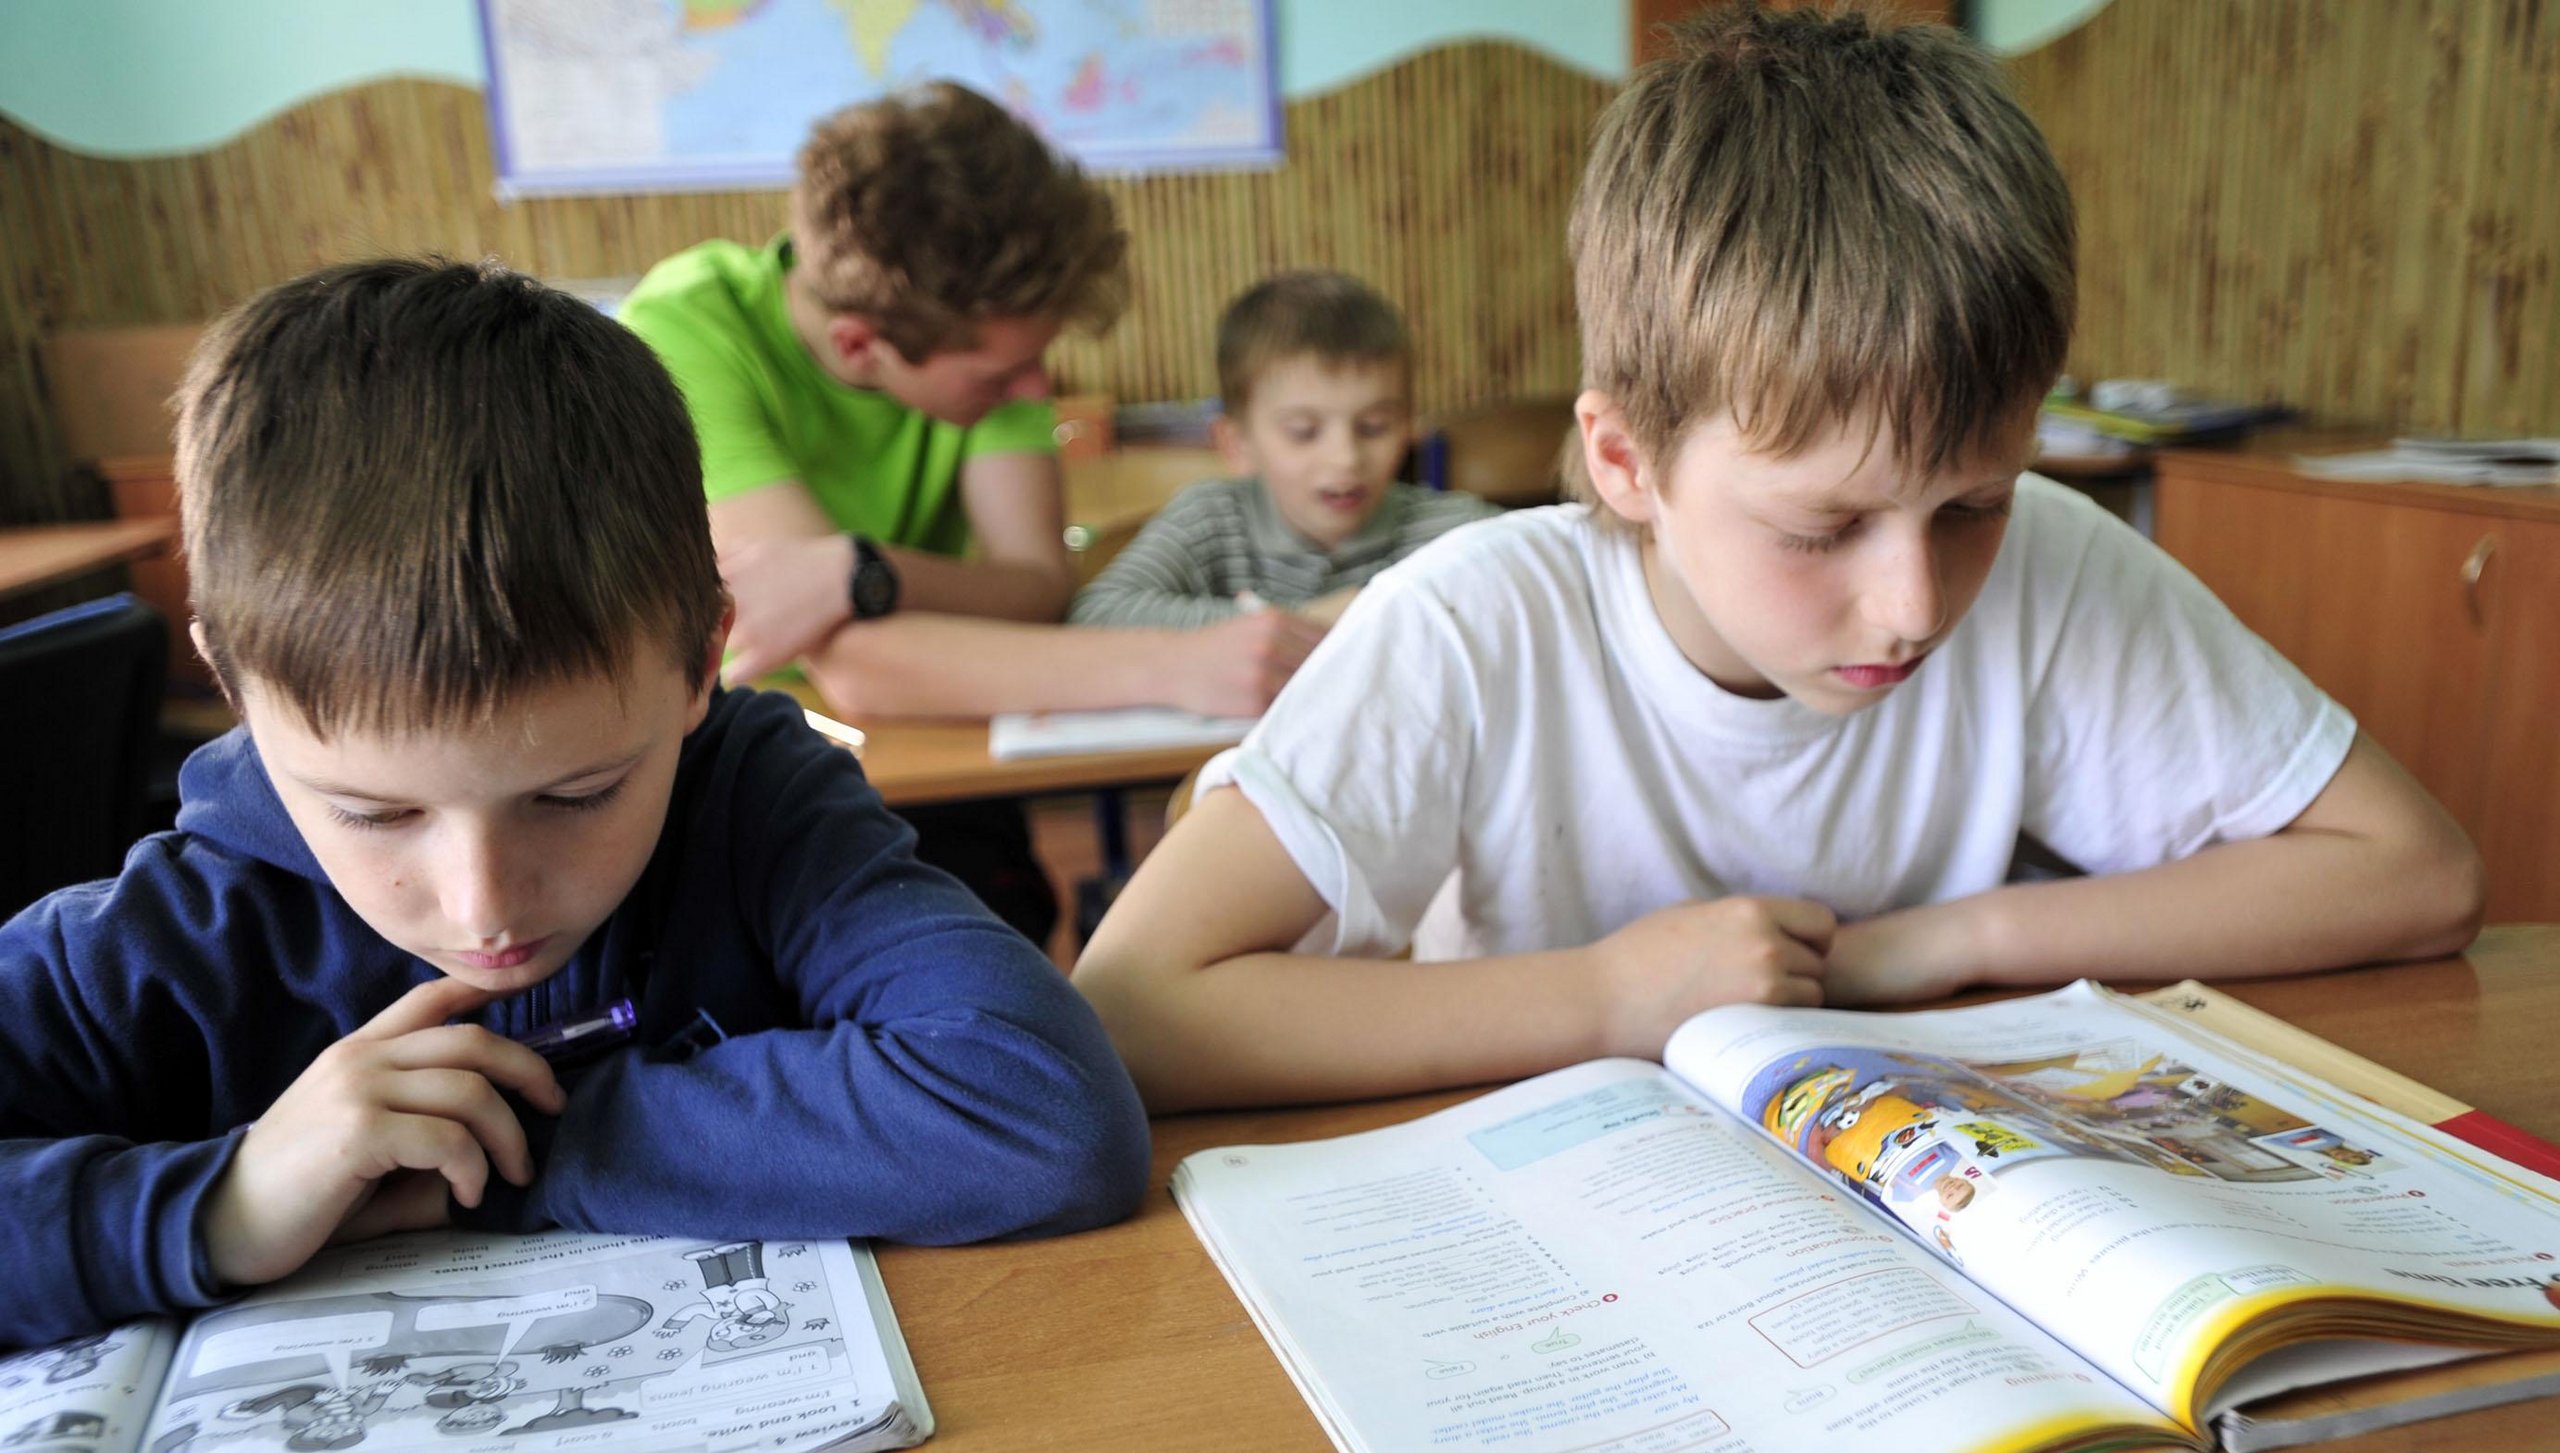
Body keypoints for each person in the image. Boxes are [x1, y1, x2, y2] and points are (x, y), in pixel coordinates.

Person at [1072, 4, 2484, 1112]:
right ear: (1627, 462)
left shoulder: (2053, 561)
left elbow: (2413, 873)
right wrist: (1606, 999)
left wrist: (1954, 941)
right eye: (1820, 528)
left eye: (1975, 503)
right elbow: (1134, 1007)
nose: (1915, 603)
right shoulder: (1471, 624)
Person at [0, 258, 1150, 1351]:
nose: (484, 903)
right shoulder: (176, 933)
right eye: (373, 813)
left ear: (704, 660)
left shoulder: (755, 802)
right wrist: (223, 1204)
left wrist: (508, 1142)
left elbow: (1044, 1113)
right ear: (233, 686)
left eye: (578, 792)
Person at [621, 84, 1322, 943]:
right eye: (996, 380)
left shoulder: (981, 332)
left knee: (1011, 925)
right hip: (741, 776)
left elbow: (1035, 584)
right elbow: (862, 669)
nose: (1034, 394)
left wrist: (859, 572)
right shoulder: (687, 329)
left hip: (950, 756)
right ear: (858, 346)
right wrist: (1181, 665)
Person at [1067, 271, 1497, 630]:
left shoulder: (1451, 531)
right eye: (1303, 431)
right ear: (1237, 444)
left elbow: (1541, 583)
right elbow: (1097, 614)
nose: (1346, 457)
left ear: (1408, 429)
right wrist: (1301, 623)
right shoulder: (1211, 520)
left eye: (1373, 427)